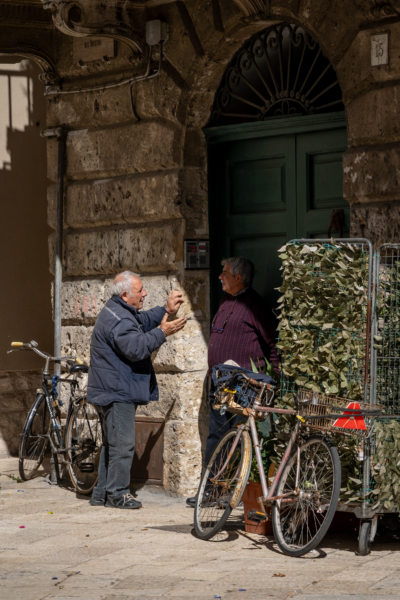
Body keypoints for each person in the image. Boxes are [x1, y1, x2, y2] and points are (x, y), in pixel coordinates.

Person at [88, 270, 186, 509]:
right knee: (122, 446)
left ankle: (102, 493)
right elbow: (136, 348)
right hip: (116, 392)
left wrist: (166, 309)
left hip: (109, 389)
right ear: (124, 295)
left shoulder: (118, 311)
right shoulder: (120, 319)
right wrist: (163, 331)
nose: (144, 293)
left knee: (112, 444)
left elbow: (140, 322)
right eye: (140, 290)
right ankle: (117, 494)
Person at [186, 256, 279, 506]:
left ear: (239, 277)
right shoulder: (227, 301)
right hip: (219, 382)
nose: (220, 276)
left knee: (233, 437)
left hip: (241, 385)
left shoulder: (255, 305)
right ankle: (211, 490)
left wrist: (274, 377)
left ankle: (222, 490)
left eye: (224, 272)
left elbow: (272, 343)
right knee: (216, 437)